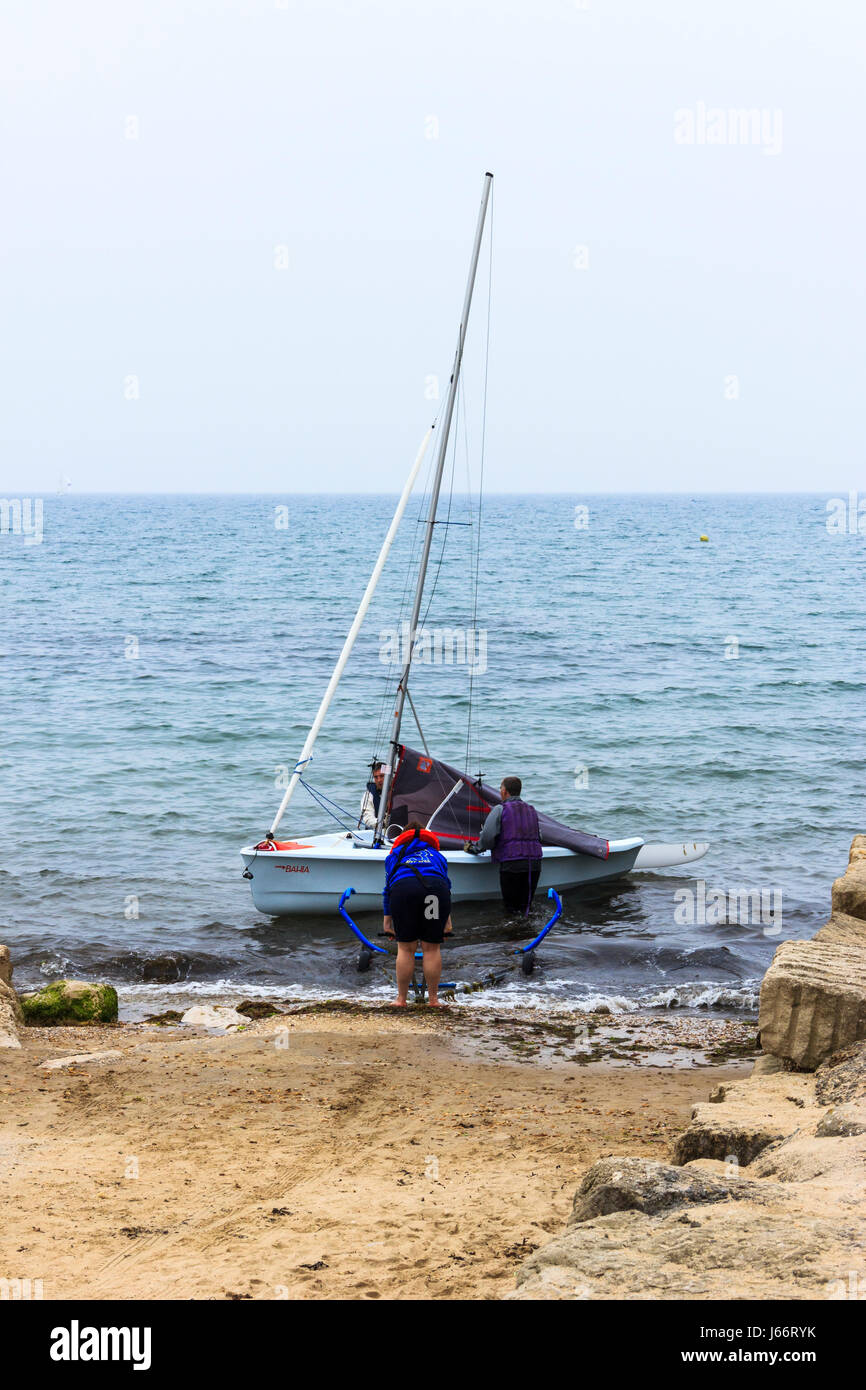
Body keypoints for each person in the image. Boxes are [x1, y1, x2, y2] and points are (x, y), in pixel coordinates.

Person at [382, 819, 453, 1007]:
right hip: (435, 890)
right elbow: (446, 886)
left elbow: (388, 890)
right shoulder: (436, 855)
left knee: (405, 949)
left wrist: (387, 922)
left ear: (403, 837)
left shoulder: (395, 855)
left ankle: (401, 1000)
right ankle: (433, 1000)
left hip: (403, 890)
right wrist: (447, 921)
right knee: (431, 948)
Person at [475, 775, 543, 913]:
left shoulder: (500, 809)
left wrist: (475, 848)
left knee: (511, 908)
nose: (500, 791)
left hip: (512, 864)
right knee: (526, 906)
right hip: (534, 865)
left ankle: (514, 932)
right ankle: (528, 932)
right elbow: (539, 836)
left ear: (505, 791)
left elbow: (487, 838)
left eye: (500, 788)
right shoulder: (531, 810)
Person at [359, 761, 385, 829]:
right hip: (376, 833)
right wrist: (383, 823)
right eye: (376, 777)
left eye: (382, 776)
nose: (379, 780)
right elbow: (368, 819)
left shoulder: (398, 792)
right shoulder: (369, 795)